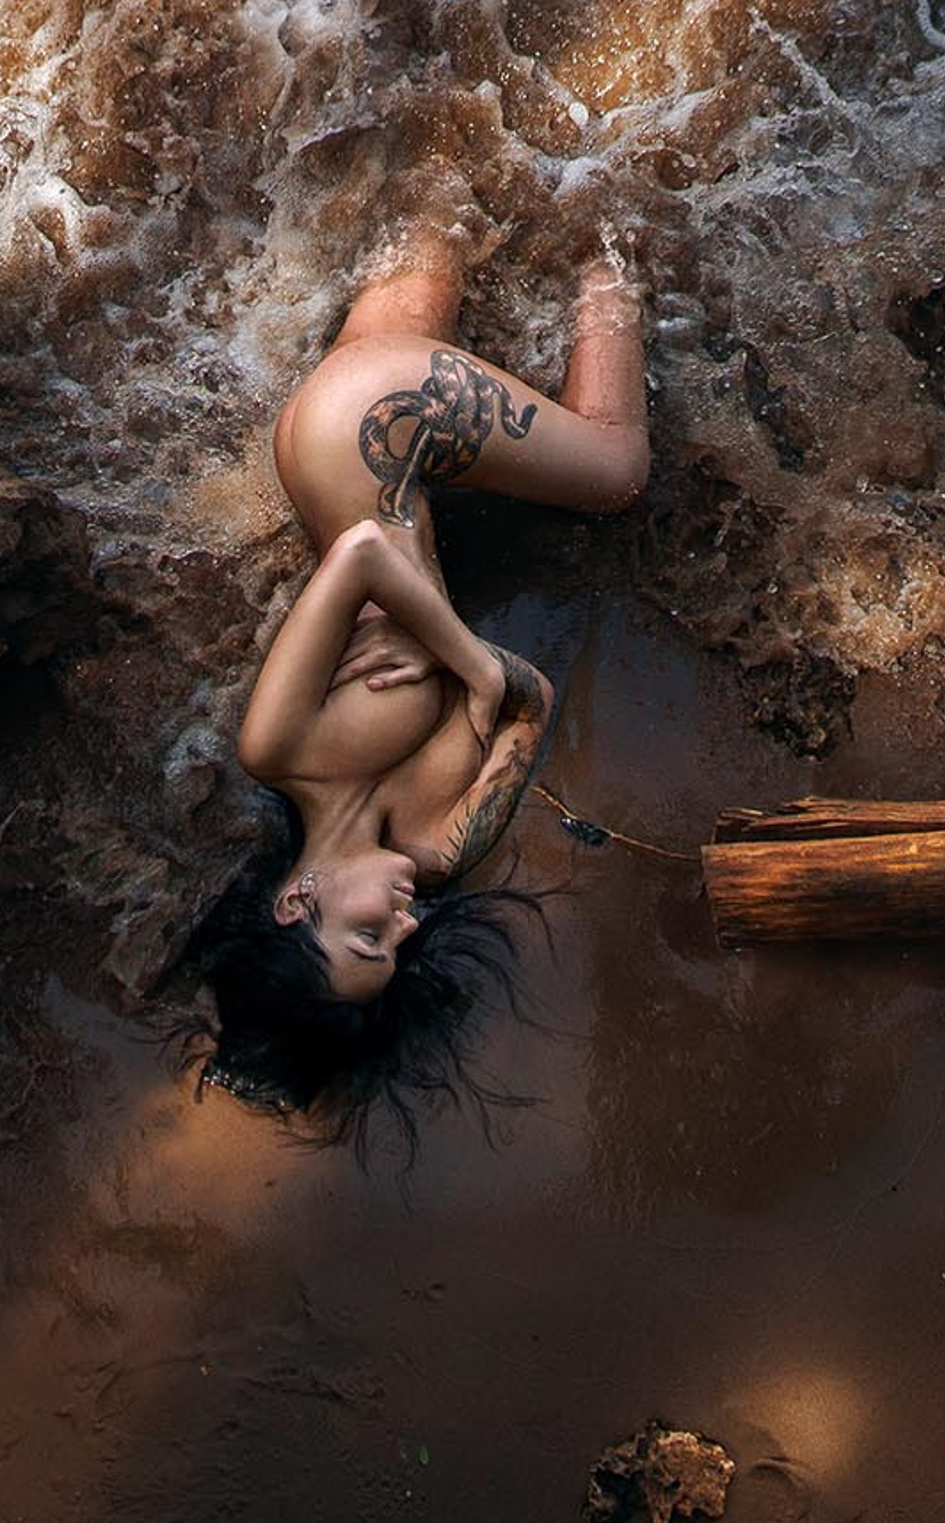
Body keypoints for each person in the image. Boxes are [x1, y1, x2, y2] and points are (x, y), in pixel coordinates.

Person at [183, 228, 650, 1143]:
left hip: (354, 430)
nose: (403, 929)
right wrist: (456, 653)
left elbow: (363, 553)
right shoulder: (441, 845)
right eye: (395, 954)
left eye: (367, 938)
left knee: (617, 472)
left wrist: (466, 661)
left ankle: (619, 220)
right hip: (365, 431)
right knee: (440, 204)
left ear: (294, 905)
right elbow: (537, 700)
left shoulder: (280, 752)